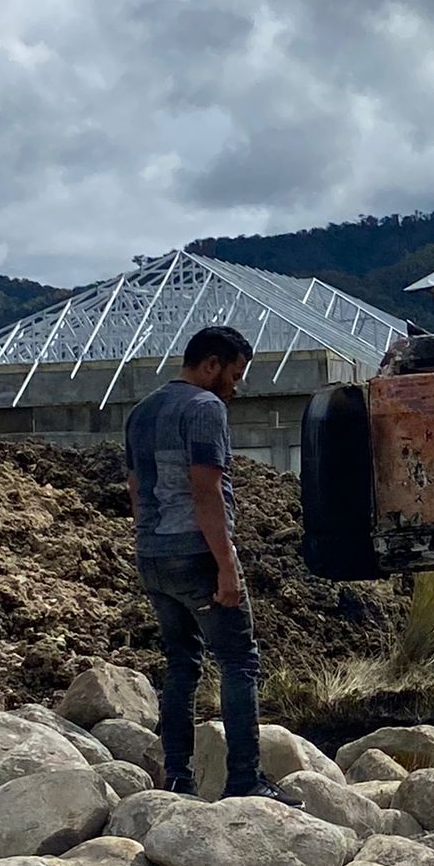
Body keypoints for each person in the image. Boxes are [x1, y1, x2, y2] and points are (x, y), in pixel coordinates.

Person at [125, 324, 299, 803]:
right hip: (196, 553)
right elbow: (206, 491)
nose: (235, 385)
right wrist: (227, 567)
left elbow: (137, 490)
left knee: (181, 662)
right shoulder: (205, 408)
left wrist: (150, 541)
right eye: (234, 374)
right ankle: (244, 778)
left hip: (152, 553)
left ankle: (177, 777)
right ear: (211, 364)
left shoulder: (142, 411)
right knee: (239, 660)